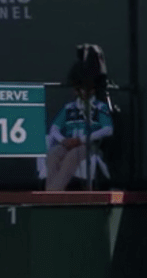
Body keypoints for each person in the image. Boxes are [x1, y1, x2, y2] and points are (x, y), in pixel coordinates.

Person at [41, 63, 114, 191]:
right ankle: (51, 192)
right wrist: (63, 140)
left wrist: (82, 139)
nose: (81, 91)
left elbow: (108, 129)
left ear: (93, 89)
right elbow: (54, 129)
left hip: (89, 145)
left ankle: (52, 193)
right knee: (53, 154)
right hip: (68, 143)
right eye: (78, 88)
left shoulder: (99, 107)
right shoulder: (69, 107)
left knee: (72, 156)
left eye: (85, 88)